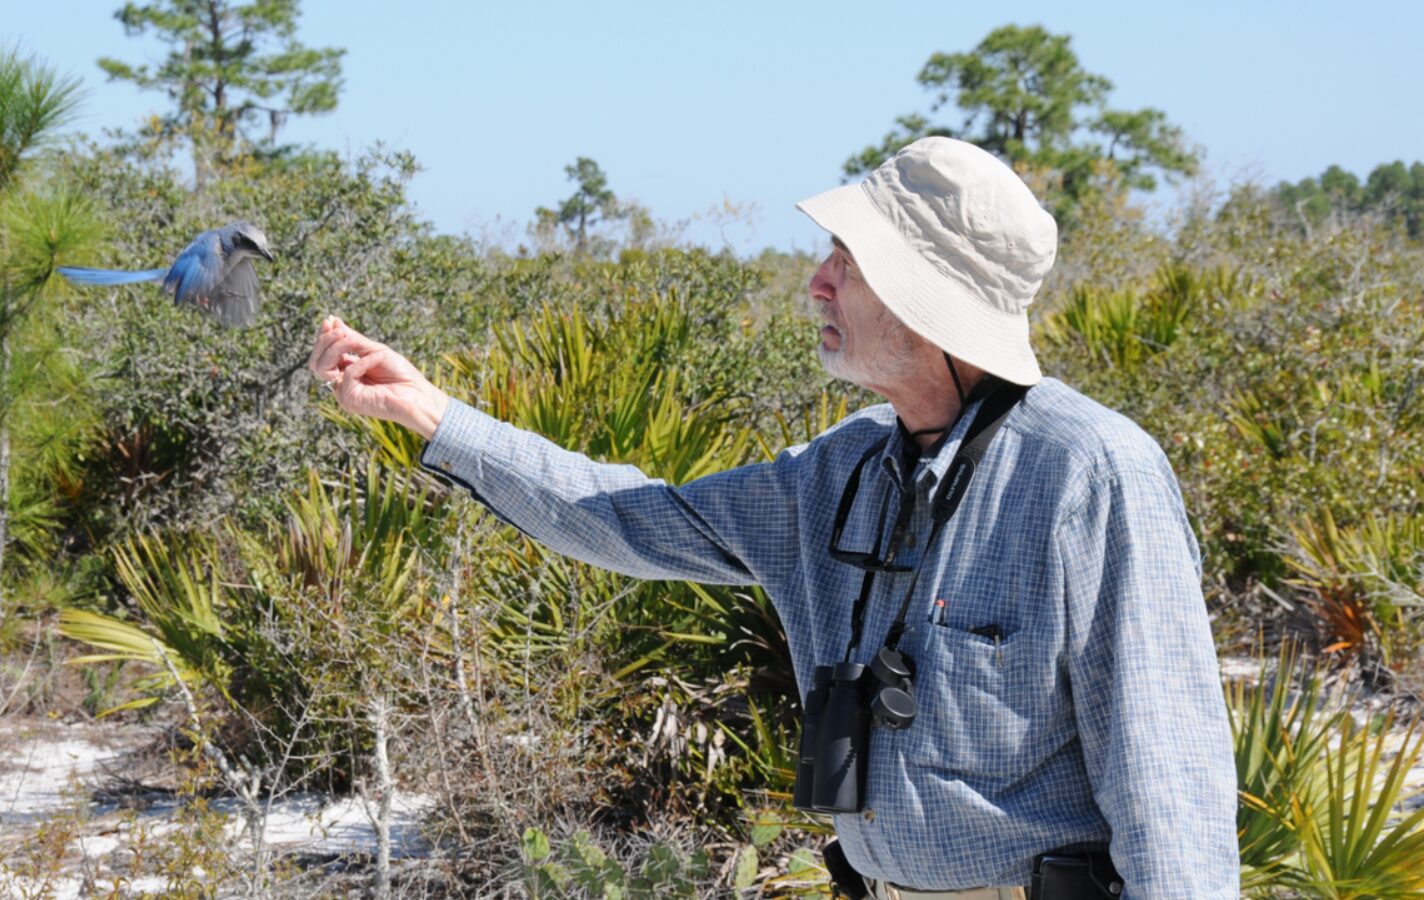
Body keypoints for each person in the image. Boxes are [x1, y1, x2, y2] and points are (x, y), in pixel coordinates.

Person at [307, 137, 1239, 899]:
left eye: (849, 263)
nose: (817, 283)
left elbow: (1168, 782)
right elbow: (623, 517)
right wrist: (434, 416)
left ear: (927, 302)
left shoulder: (1091, 475)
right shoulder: (836, 470)